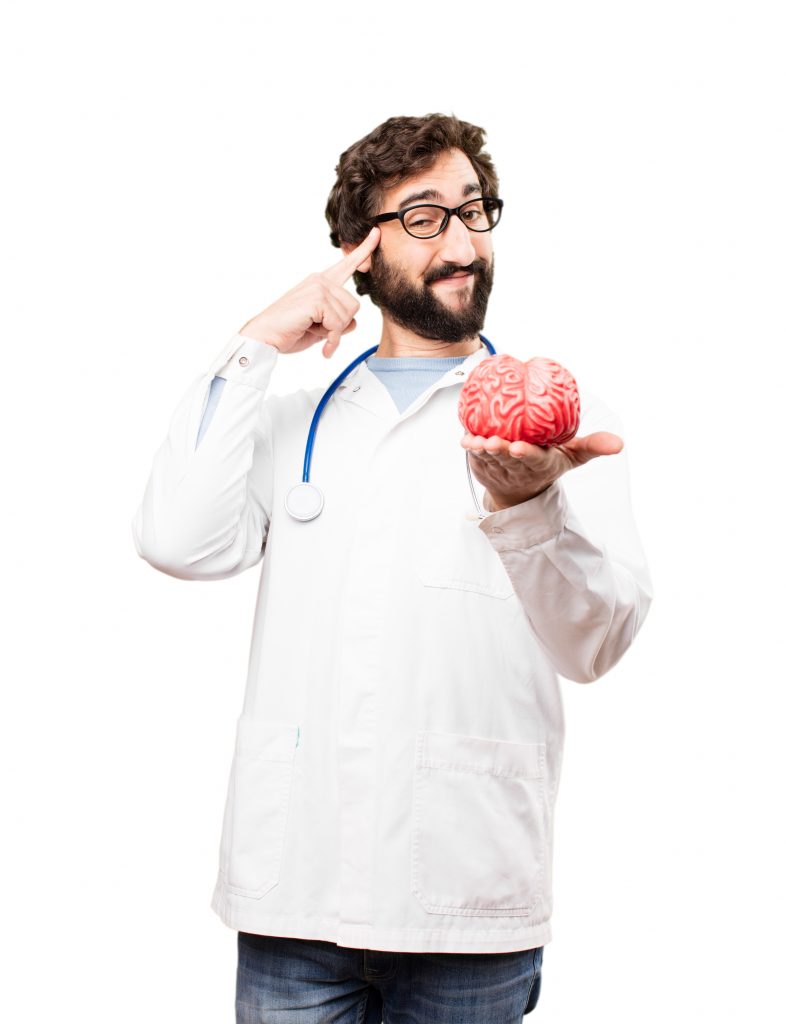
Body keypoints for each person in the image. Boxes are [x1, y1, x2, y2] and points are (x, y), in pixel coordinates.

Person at [132, 113, 652, 1023]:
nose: (461, 240)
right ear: (357, 253)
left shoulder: (562, 423)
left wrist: (528, 506)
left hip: (467, 900)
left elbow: (596, 643)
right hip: (296, 890)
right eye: (422, 217)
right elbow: (177, 539)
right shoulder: (295, 420)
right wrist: (254, 341)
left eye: (473, 210)